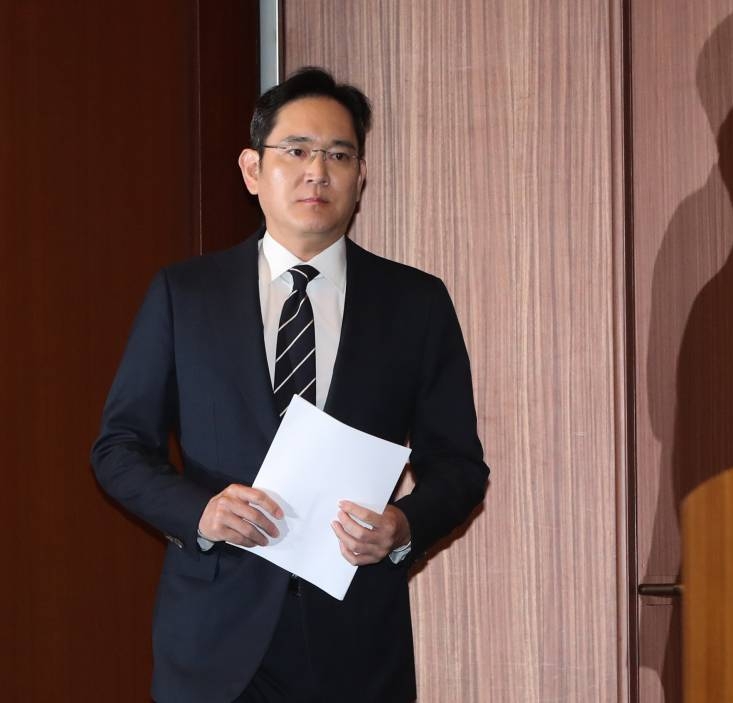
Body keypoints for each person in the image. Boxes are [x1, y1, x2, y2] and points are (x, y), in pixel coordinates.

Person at [92, 67, 489, 703]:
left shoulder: (415, 303)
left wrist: (403, 526)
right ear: (253, 169)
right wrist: (201, 512)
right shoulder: (185, 295)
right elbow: (119, 448)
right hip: (213, 643)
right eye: (297, 151)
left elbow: (460, 465)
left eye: (339, 155)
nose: (317, 172)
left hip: (356, 641)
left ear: (361, 177)